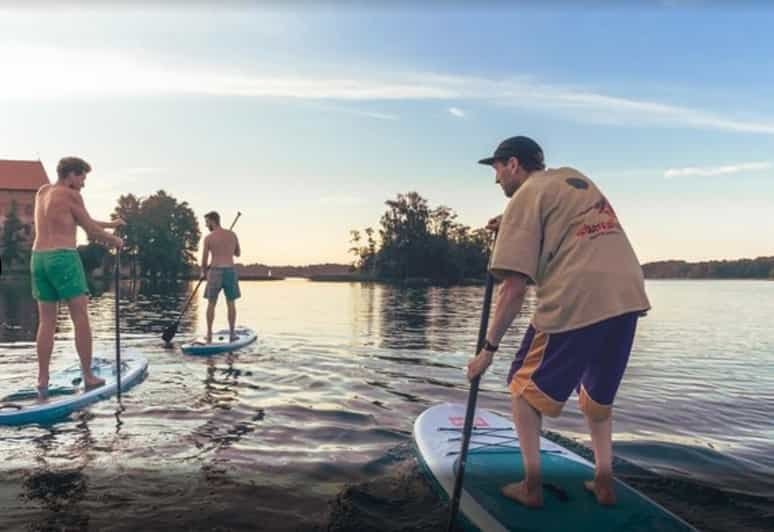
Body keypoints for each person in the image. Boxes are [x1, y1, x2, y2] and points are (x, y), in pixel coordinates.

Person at [466, 136, 650, 508]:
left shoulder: (525, 196)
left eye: (498, 169)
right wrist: (510, 222)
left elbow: (514, 289)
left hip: (577, 292)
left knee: (522, 390)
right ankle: (604, 483)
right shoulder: (571, 178)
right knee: (596, 399)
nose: (496, 178)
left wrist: (488, 350)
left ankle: (531, 487)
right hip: (627, 293)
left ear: (514, 164)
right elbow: (569, 224)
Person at [31, 156, 124, 398]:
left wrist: (110, 224)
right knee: (80, 317)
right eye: (82, 177)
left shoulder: (43, 192)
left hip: (38, 259)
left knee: (46, 321)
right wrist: (114, 240)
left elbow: (81, 218)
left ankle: (42, 378)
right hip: (63, 258)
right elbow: (90, 230)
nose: (84, 183)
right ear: (71, 174)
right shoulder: (71, 195)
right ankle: (89, 376)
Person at [200, 211, 241, 343]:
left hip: (215, 272)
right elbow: (238, 253)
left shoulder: (208, 238)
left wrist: (203, 272)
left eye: (207, 222)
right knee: (231, 303)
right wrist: (227, 247)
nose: (206, 225)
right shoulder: (232, 235)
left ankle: (209, 334)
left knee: (211, 303)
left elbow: (204, 260)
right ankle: (232, 334)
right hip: (230, 271)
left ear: (213, 221)